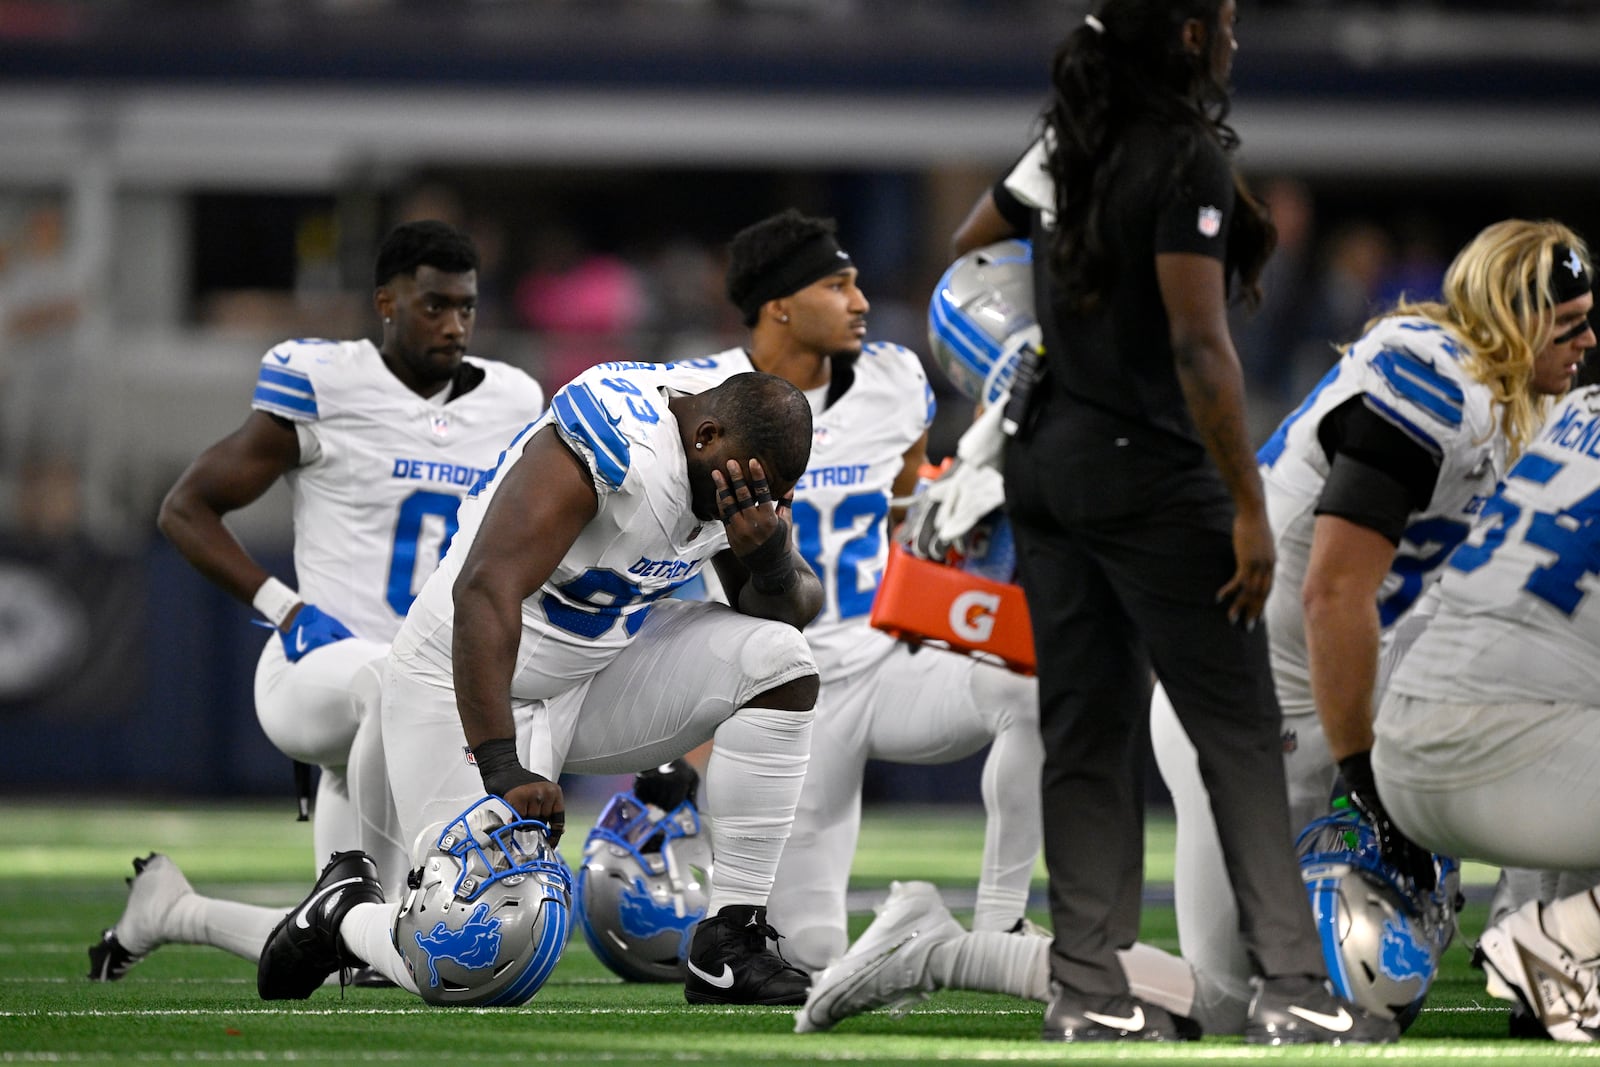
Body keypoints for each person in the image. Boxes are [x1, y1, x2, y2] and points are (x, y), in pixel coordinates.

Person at [944, 0, 1392, 1044]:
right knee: (1238, 733)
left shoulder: (1073, 138)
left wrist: (1051, 340)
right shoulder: (1182, 151)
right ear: (1188, 36)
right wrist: (1245, 503)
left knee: (1084, 735)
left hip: (1045, 461)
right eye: (1225, 19)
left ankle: (1086, 988)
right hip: (1144, 465)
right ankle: (1291, 985)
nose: (1234, 36)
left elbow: (970, 253)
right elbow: (1198, 347)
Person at [254, 362, 826, 1007]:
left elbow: (792, 604)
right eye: (752, 490)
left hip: (597, 668)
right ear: (706, 436)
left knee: (782, 659)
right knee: (471, 958)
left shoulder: (727, 461)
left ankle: (730, 942)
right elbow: (485, 588)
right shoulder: (616, 442)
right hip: (463, 676)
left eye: (773, 496)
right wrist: (502, 765)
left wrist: (768, 554)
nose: (756, 506)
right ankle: (343, 914)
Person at [1150, 220, 1595, 1026]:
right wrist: (1368, 781)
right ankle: (946, 947)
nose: (1588, 341)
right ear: (1515, 316)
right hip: (1250, 703)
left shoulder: (1508, 406)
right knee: (1227, 1003)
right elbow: (1331, 591)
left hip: (1357, 678)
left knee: (1550, 688)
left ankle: (1541, 944)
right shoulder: (1432, 383)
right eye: (1568, 324)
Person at [87, 219, 545, 981]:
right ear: (386, 303)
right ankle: (345, 883)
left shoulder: (513, 398)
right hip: (319, 668)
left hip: (428, 694)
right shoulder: (324, 380)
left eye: (466, 306)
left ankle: (173, 910)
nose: (455, 324)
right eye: (434, 305)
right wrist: (285, 607)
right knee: (385, 679)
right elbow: (185, 508)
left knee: (378, 945)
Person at [673, 208, 1044, 972]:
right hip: (779, 692)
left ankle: (1002, 922)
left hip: (884, 658)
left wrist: (952, 539)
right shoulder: (700, 397)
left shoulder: (896, 379)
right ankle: (908, 943)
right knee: (810, 951)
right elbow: (672, 570)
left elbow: (909, 512)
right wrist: (696, 737)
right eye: (837, 285)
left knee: (1035, 690)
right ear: (779, 303)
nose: (862, 300)